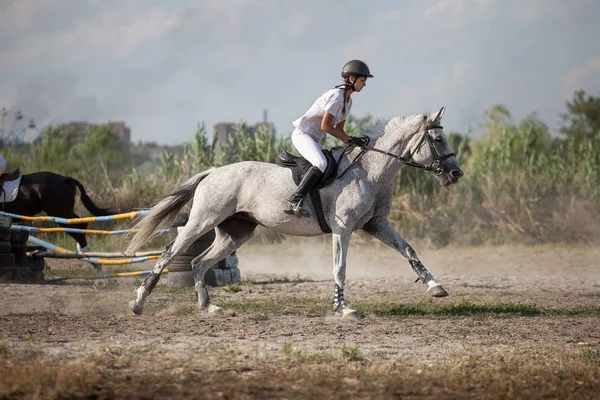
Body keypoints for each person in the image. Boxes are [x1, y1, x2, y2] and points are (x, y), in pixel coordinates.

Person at [284, 59, 373, 217]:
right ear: (352, 79)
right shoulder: (336, 96)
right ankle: (294, 200)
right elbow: (326, 126)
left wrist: (354, 140)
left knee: (331, 162)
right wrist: (350, 139)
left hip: (313, 139)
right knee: (321, 163)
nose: (365, 84)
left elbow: (339, 130)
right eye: (362, 80)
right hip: (303, 135)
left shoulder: (348, 101)